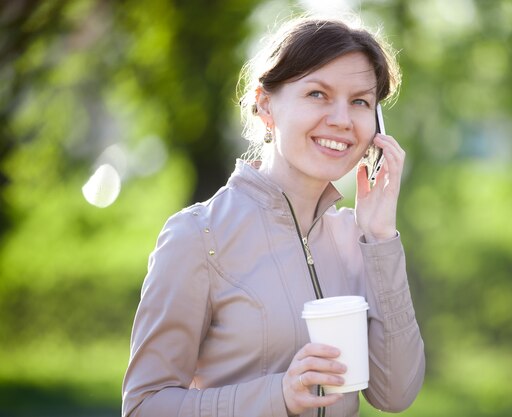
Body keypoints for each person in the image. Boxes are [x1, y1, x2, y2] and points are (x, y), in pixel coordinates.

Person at [122, 15, 425, 417]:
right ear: (266, 106)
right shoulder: (198, 237)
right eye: (317, 94)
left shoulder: (358, 238)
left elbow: (395, 395)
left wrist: (381, 236)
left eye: (360, 102)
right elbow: (144, 406)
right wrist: (278, 396)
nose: (341, 119)